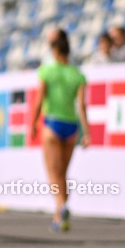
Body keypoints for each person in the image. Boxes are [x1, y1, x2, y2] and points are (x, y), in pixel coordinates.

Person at [30, 30, 90, 232]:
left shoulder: (47, 71)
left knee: (53, 173)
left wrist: (32, 124)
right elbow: (81, 106)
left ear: (55, 51)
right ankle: (60, 215)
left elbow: (39, 100)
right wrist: (87, 132)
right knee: (63, 173)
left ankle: (60, 206)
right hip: (71, 126)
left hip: (52, 124)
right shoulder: (78, 74)